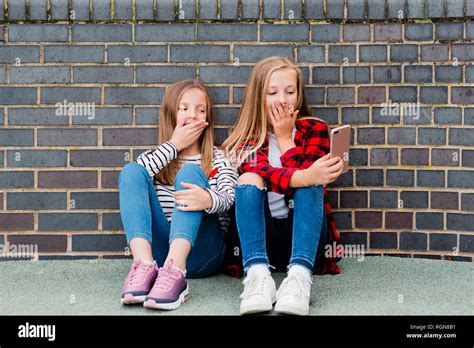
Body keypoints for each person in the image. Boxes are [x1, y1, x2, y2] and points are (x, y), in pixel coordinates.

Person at [222, 56, 344, 315]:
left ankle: (299, 278)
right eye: (273, 92)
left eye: (290, 91)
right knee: (249, 179)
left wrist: (287, 138)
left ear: (299, 95)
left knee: (312, 183)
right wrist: (307, 175)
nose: (282, 100)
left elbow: (308, 183)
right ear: (258, 97)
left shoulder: (315, 129)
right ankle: (257, 277)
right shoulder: (246, 139)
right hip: (261, 238)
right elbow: (263, 172)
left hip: (305, 239)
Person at [118, 79, 238, 310]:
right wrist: (173, 146)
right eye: (184, 108)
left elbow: (231, 197)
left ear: (207, 119)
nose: (192, 115)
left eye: (200, 110)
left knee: (190, 172)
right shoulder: (156, 157)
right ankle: (143, 266)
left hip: (203, 253)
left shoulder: (219, 158)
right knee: (132, 170)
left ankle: (177, 272)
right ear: (170, 115)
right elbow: (132, 181)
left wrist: (208, 199)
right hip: (161, 255)